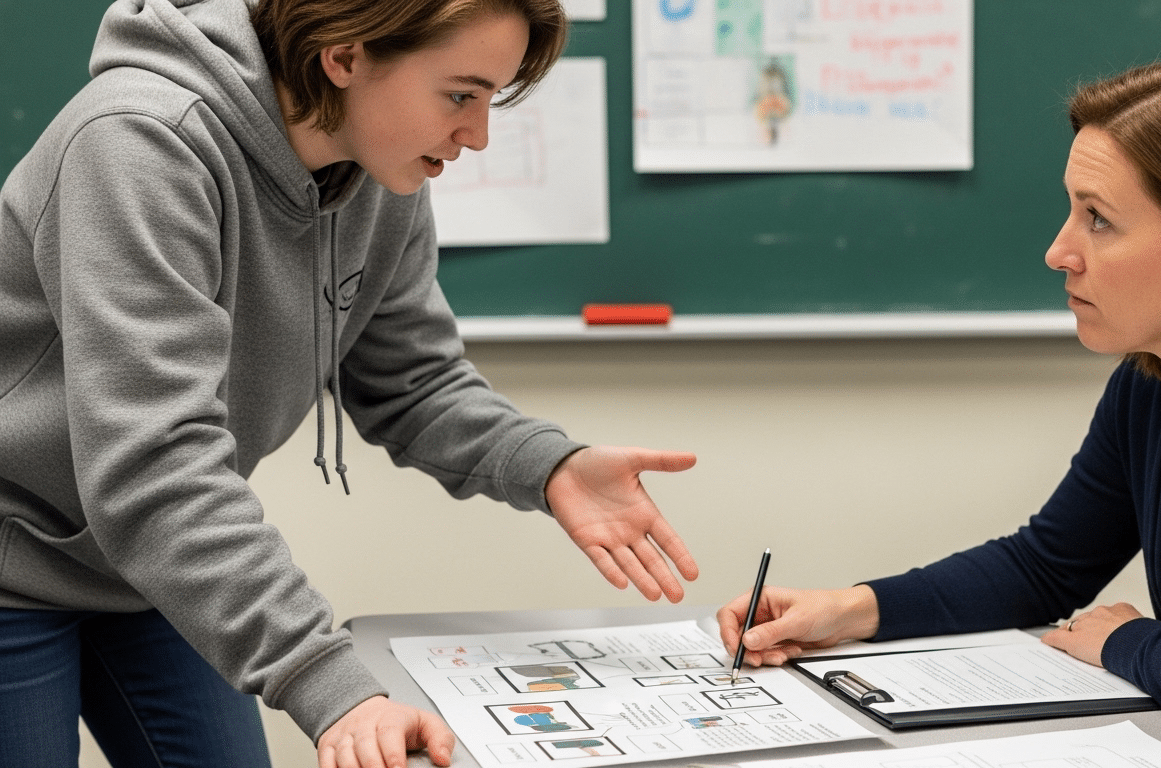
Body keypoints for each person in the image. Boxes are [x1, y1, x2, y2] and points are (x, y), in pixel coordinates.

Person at [0, 0, 700, 766]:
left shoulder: (374, 171)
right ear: (345, 56)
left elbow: (414, 382)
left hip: (153, 568)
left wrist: (550, 464)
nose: (478, 135)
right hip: (19, 555)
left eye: (491, 99)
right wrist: (327, 678)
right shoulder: (143, 142)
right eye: (461, 95)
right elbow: (154, 463)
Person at [718, 53, 1161, 768]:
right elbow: (1046, 566)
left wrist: (1122, 640)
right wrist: (851, 609)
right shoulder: (1160, 380)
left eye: (1100, 220)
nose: (1058, 252)